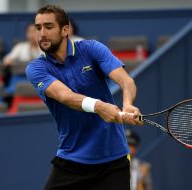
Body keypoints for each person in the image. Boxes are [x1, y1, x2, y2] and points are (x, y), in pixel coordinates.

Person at [26, 4, 143, 190]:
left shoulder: (92, 49)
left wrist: (127, 104)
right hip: (72, 160)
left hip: (113, 160)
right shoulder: (36, 68)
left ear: (65, 30)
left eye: (48, 27)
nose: (41, 33)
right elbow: (65, 96)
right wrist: (99, 106)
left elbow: (126, 81)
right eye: (38, 28)